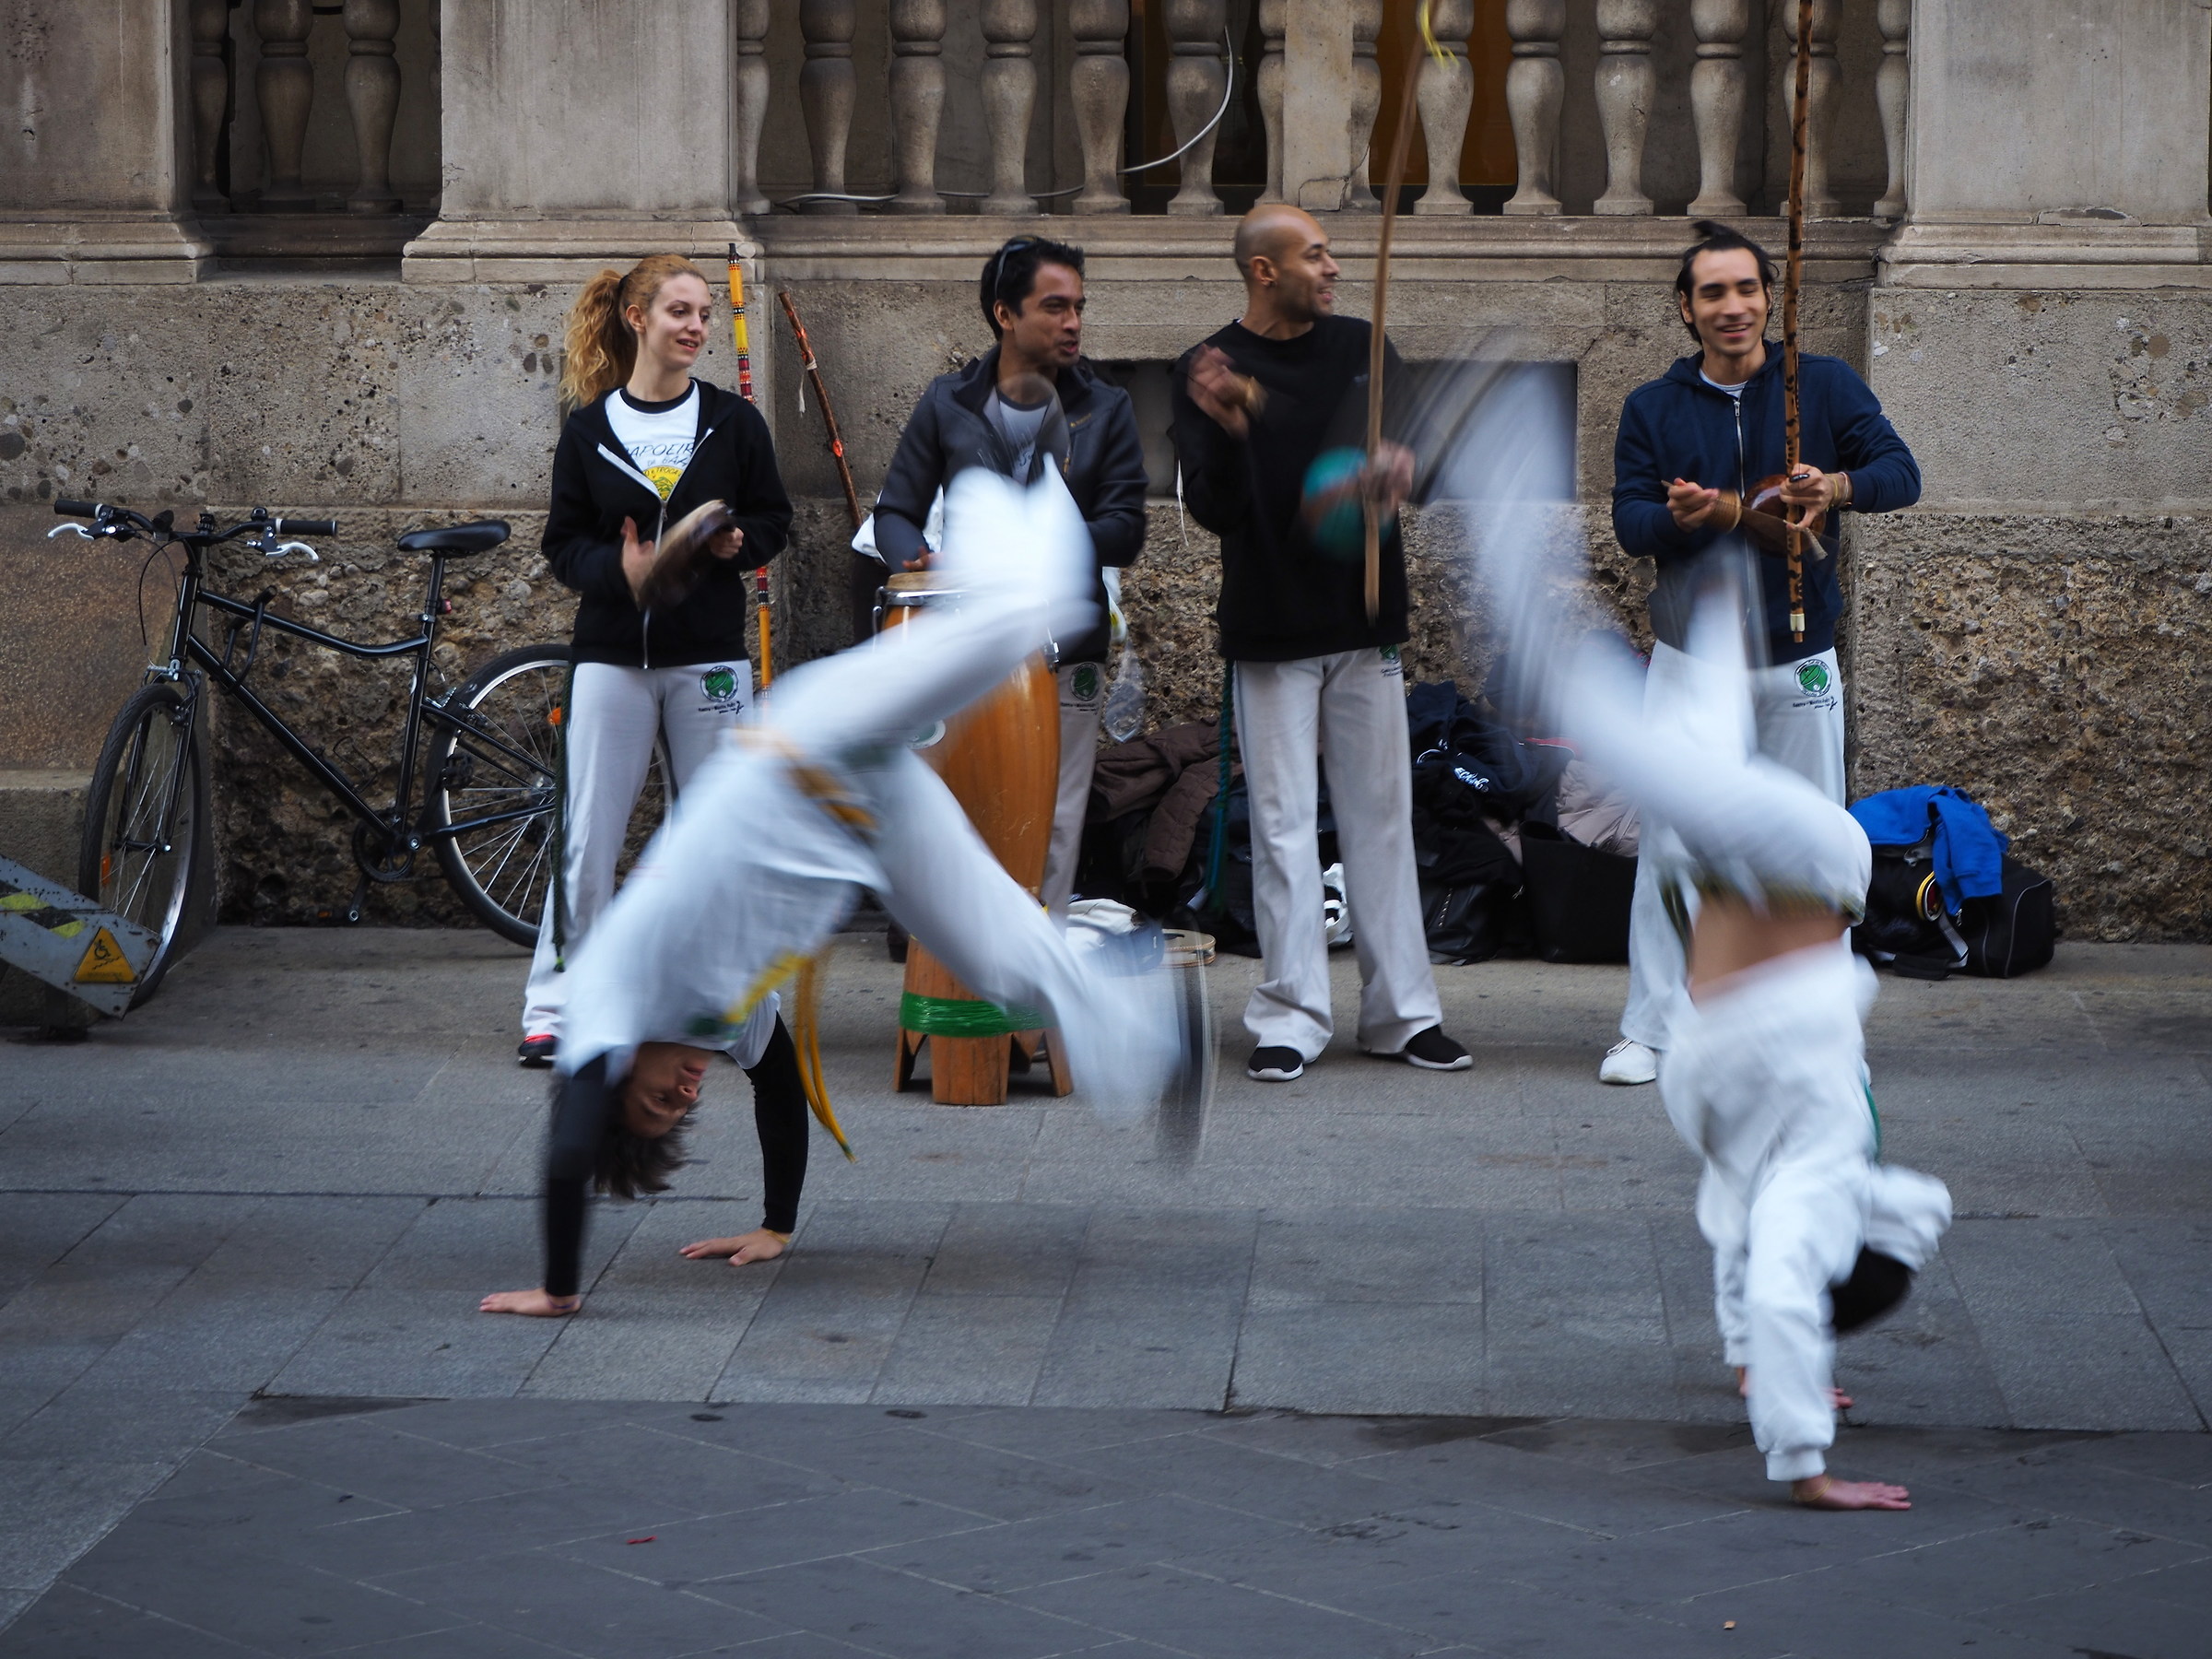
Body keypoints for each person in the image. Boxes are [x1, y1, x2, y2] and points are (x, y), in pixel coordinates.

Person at [480, 470, 1188, 1319]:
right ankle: (1160, 1039)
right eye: (683, 1109)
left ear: (616, 1071)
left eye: (659, 1096)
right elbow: (781, 1093)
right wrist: (776, 1226)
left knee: (1004, 631)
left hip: (810, 739)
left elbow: (568, 1148)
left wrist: (560, 1289)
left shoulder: (612, 1000)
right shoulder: (714, 1020)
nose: (688, 1092)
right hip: (870, 821)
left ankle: (1004, 501)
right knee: (1005, 969)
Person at [1563, 589, 1951, 1509]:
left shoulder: (1829, 1171)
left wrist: (1807, 1466)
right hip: (1711, 1056)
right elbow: (1745, 1249)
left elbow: (1782, 1290)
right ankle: (1706, 621)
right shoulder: (1804, 1173)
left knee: (1693, 773)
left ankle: (1697, 621)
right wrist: (1757, 1364)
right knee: (1697, 778)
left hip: (1768, 997)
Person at [1599, 220, 1920, 1086]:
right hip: (1691, 665)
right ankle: (1654, 1029)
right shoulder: (1652, 408)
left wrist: (1837, 485)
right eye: (1713, 292)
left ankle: (1810, 1033)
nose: (1732, 307)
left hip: (1799, 657)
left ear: (1770, 298)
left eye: (1747, 289)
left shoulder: (1823, 385)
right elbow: (1631, 525)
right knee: (1672, 843)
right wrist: (1685, 516)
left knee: (1810, 847)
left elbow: (1902, 473)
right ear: (1686, 308)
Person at [1169, 204, 1470, 1084]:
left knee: (1383, 818)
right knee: (1282, 822)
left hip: (1363, 620)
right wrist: (1227, 430)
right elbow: (1212, 510)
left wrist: (1405, 468)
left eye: (1336, 253)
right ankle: (1291, 1014)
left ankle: (1403, 1015)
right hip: (1269, 623)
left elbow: (1427, 466)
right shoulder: (1210, 366)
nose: (1334, 267)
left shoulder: (1362, 350)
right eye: (1316, 255)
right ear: (1265, 272)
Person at [521, 253, 793, 1068]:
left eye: (705, 314)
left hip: (708, 658)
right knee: (588, 837)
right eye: (680, 311)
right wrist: (621, 572)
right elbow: (562, 546)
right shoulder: (589, 428)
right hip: (610, 657)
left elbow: (774, 516)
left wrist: (743, 542)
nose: (697, 327)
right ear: (637, 318)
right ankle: (557, 1009)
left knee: (717, 833)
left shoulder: (734, 423)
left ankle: (724, 1001)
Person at [872, 235, 1148, 918]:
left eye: (1079, 307)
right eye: (1054, 306)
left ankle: (1032, 1000)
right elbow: (895, 515)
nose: (1073, 322)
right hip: (968, 648)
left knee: (1053, 827)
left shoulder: (1105, 406)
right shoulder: (949, 401)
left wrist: (1041, 542)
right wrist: (914, 559)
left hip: (1066, 647)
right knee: (968, 812)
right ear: (1005, 313)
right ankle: (965, 990)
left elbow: (1127, 527)